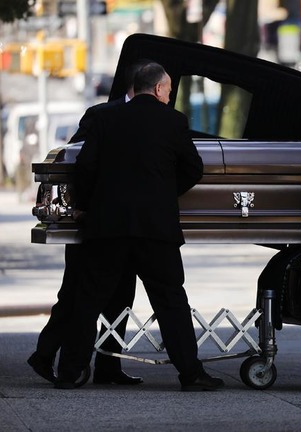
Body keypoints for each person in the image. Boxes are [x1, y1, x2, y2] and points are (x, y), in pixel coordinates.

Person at [55, 62, 222, 391]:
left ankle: (71, 372)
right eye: (169, 90)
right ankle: (190, 373)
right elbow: (194, 168)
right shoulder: (173, 121)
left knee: (88, 300)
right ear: (159, 89)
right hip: (155, 228)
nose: (169, 96)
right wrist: (162, 193)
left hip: (107, 225)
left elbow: (85, 167)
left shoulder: (104, 117)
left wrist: (93, 204)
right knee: (170, 301)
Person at [27, 59, 152, 386]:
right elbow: (78, 163)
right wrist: (90, 209)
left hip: (122, 221)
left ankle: (109, 365)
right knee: (75, 294)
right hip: (93, 221)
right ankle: (45, 354)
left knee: (122, 293)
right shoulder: (99, 115)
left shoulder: (150, 116)